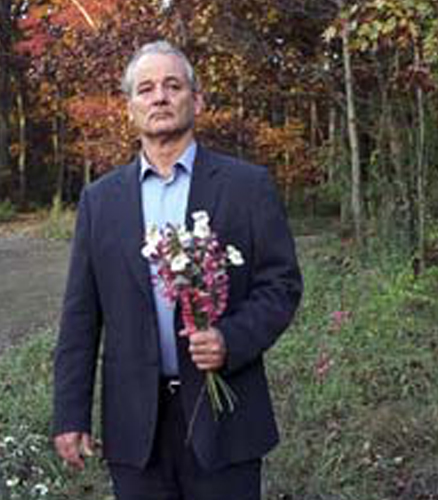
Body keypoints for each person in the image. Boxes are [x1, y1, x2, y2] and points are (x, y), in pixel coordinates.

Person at [52, 40, 303, 500]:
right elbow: (80, 316)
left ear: (197, 100)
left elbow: (281, 285)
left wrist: (231, 339)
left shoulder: (247, 187)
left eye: (173, 85)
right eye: (145, 89)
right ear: (130, 108)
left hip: (224, 419)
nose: (160, 97)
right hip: (135, 428)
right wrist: (70, 413)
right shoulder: (100, 201)